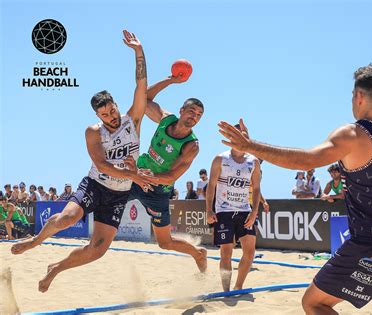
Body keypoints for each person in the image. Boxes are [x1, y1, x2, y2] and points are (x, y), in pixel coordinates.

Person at [218, 65, 372, 315]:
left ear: (359, 96)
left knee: (314, 303)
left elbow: (306, 161)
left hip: (370, 245)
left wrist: (251, 146)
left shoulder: (352, 134)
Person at [10, 30, 154, 293]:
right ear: (97, 115)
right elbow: (102, 166)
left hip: (118, 195)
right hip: (96, 185)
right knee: (67, 218)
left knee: (97, 250)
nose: (111, 116)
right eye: (105, 114)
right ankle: (35, 241)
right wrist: (134, 176)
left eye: (112, 110)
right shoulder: (93, 131)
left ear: (116, 105)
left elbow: (141, 86)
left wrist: (138, 51)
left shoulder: (132, 121)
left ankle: (55, 269)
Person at [127, 71, 207, 272]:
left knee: (164, 243)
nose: (194, 117)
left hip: (158, 190)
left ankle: (198, 254)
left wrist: (147, 177)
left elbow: (172, 177)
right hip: (137, 175)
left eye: (198, 115)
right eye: (191, 111)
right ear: (181, 110)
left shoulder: (191, 145)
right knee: (107, 197)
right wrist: (171, 80)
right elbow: (144, 98)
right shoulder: (165, 119)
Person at [206, 123, 262, 292]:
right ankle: (226, 291)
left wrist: (254, 211)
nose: (242, 138)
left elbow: (257, 188)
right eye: (238, 134)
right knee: (226, 253)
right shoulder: (220, 159)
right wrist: (209, 210)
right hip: (224, 211)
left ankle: (238, 287)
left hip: (245, 210)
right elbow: (211, 186)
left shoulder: (254, 161)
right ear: (231, 137)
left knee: (250, 252)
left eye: (245, 135)